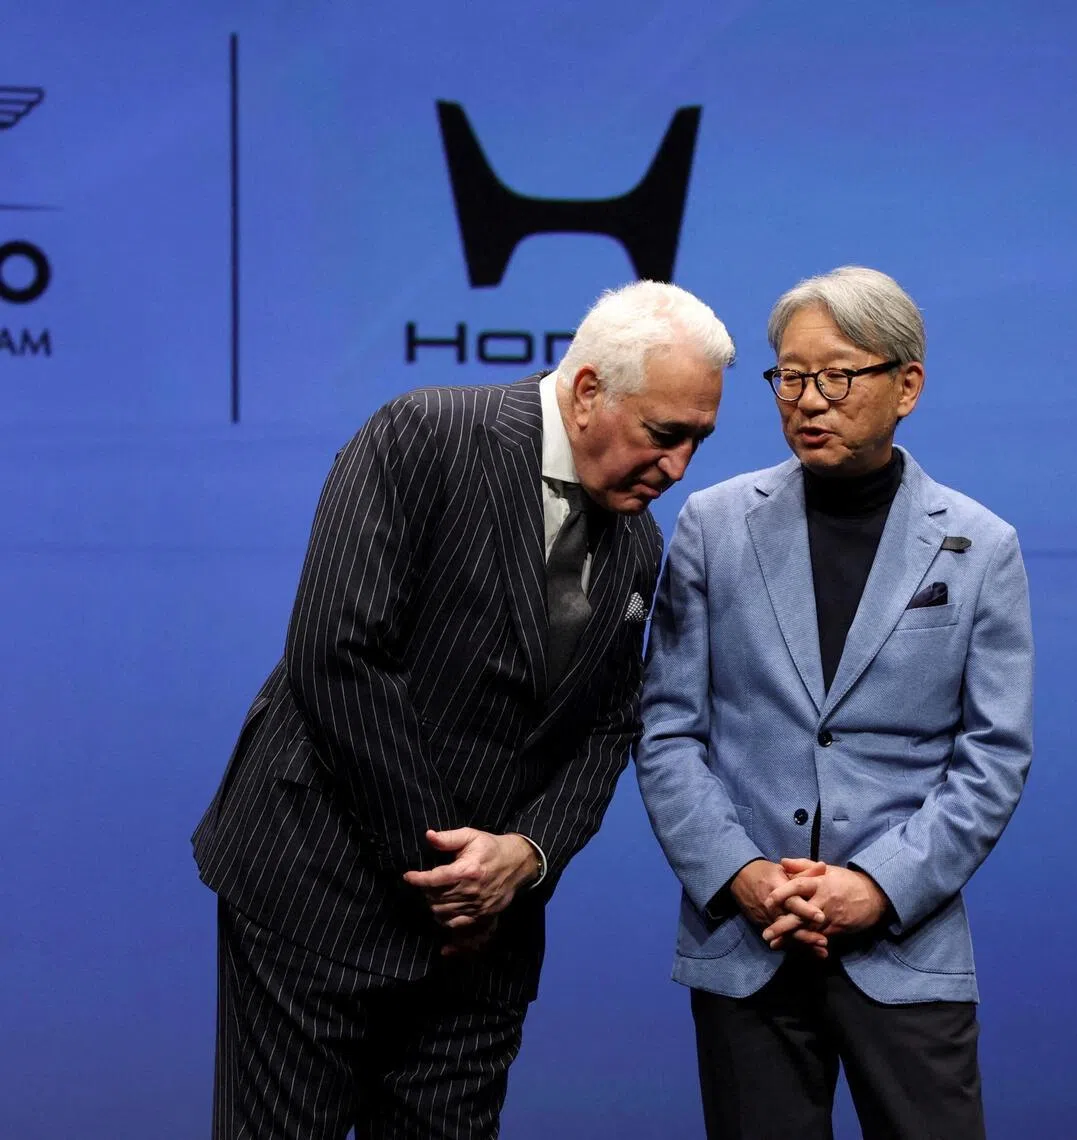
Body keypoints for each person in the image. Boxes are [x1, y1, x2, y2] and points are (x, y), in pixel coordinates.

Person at [192, 279, 734, 1139]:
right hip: (317, 893)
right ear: (589, 389)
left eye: (697, 442)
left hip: (484, 952)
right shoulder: (426, 435)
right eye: (663, 436)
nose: (677, 470)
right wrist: (452, 876)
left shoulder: (638, 544)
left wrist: (528, 852)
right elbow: (337, 654)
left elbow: (606, 727)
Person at [635, 266, 1032, 1139]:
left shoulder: (980, 546)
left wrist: (877, 886)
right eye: (790, 376)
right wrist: (740, 873)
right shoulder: (712, 523)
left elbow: (994, 754)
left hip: (904, 942)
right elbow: (666, 730)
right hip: (749, 943)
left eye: (838, 375)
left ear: (907, 386)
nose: (808, 400)